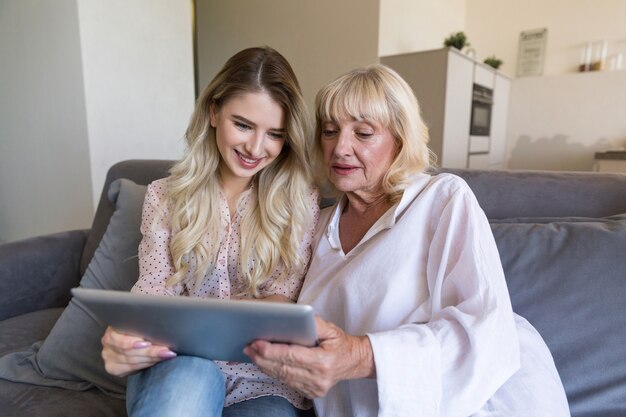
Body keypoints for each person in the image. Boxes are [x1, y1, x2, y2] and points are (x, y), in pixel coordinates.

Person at [244, 64, 571, 417]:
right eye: (329, 131)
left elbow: (486, 328)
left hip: (476, 402)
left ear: (400, 140)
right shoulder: (314, 225)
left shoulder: (440, 199)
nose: (340, 147)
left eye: (364, 133)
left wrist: (360, 355)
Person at [100, 46, 319, 417]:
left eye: (274, 134)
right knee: (192, 380)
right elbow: (153, 294)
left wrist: (192, 317)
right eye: (244, 125)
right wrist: (124, 337)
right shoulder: (164, 196)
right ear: (214, 112)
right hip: (178, 363)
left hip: (262, 379)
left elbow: (285, 301)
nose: (255, 148)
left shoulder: (300, 202)